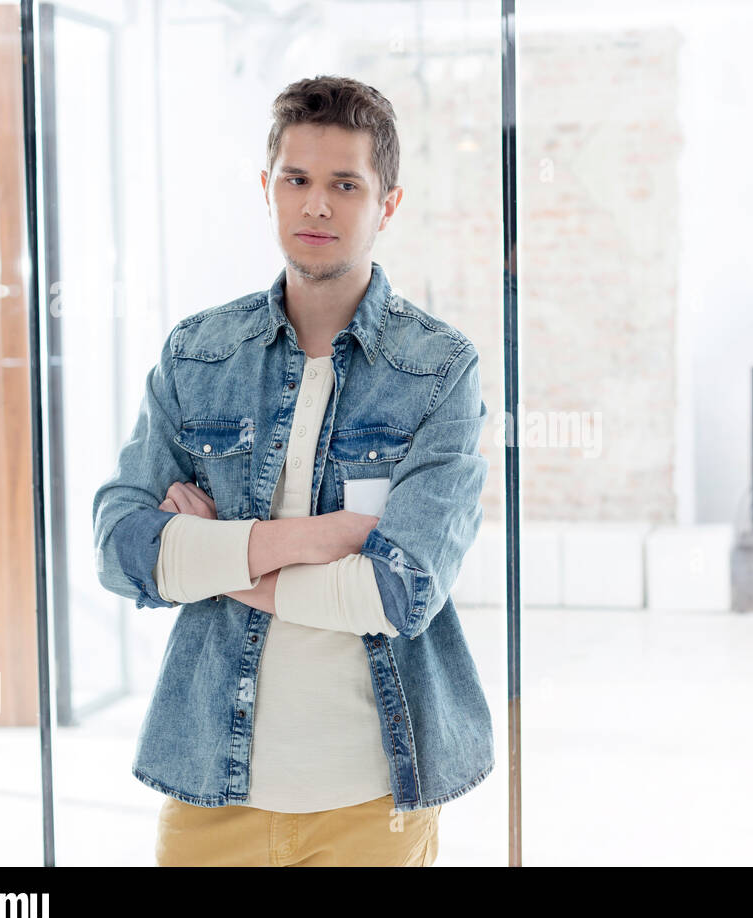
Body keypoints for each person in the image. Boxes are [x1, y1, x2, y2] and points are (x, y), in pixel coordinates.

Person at [91, 75, 494, 866]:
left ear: (387, 204)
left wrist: (214, 555)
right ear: (267, 188)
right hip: (213, 788)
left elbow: (397, 590)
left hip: (374, 799)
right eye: (297, 179)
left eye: (346, 184)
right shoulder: (197, 354)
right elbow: (124, 549)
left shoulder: (440, 369)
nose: (317, 205)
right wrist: (323, 538)